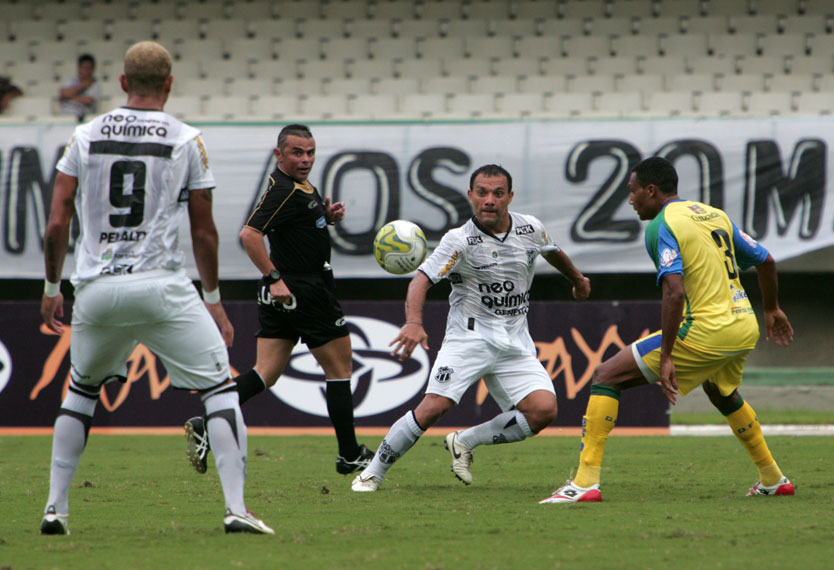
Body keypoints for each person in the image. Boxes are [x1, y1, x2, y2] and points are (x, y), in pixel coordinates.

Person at [40, 41, 273, 535]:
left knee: (81, 389)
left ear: (122, 83)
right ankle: (236, 509)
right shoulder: (187, 139)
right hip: (161, 286)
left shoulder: (83, 136)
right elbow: (204, 231)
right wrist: (213, 301)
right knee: (220, 388)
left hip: (97, 288)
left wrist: (51, 284)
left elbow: (57, 221)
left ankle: (55, 509)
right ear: (169, 84)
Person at [539, 156, 795, 504]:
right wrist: (771, 308)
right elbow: (765, 260)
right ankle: (773, 478)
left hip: (707, 328)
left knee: (606, 375)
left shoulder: (662, 225)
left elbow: (674, 291)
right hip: (744, 323)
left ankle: (584, 483)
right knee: (721, 393)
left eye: (632, 192)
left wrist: (668, 356)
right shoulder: (713, 214)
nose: (630, 200)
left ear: (651, 190)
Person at [351, 164, 591, 492]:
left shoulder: (530, 228)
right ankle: (372, 473)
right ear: (470, 196)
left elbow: (552, 251)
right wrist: (413, 322)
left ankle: (465, 440)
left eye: (497, 193)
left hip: (515, 340)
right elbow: (421, 280)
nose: (489, 200)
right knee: (434, 407)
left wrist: (577, 279)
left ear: (510, 197)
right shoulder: (459, 241)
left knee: (543, 411)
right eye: (482, 193)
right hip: (469, 336)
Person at [184, 124, 374, 476]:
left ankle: (206, 421)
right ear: (279, 155)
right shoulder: (283, 190)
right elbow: (249, 235)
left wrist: (325, 217)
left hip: (286, 292)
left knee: (265, 373)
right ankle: (349, 453)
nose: (305, 159)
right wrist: (276, 279)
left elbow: (293, 227)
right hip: (303, 290)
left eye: (310, 152)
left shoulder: (300, 188)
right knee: (340, 369)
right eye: (297, 153)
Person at [58, 53, 100, 121]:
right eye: (84, 68)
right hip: (65, 117)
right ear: (79, 68)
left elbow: (88, 100)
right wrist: (83, 86)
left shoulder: (95, 84)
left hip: (83, 118)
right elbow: (63, 93)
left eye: (89, 68)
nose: (87, 71)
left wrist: (69, 97)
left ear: (93, 69)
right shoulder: (72, 80)